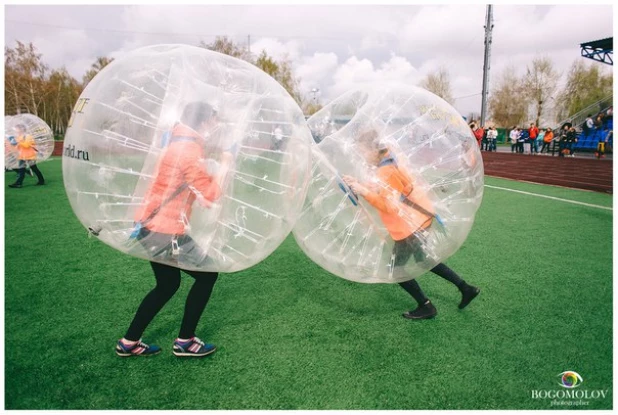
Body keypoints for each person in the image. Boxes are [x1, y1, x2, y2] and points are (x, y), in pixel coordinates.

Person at [116, 102, 234, 358]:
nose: (215, 127)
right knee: (208, 273)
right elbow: (212, 193)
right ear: (204, 121)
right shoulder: (188, 149)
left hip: (149, 224)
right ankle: (185, 341)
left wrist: (196, 193)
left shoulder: (174, 143)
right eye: (214, 121)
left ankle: (129, 342)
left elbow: (176, 183)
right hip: (166, 230)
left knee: (167, 284)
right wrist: (226, 164)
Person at [342, 130, 480, 320]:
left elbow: (389, 205)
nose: (362, 157)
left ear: (374, 150)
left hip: (409, 226)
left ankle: (426, 306)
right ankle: (466, 288)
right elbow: (388, 189)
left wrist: (363, 191)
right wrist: (359, 184)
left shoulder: (385, 170)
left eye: (363, 152)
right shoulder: (391, 159)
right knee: (423, 260)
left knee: (395, 269)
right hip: (419, 219)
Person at [7, 124, 45, 188]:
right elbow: (18, 147)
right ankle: (18, 183)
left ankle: (41, 181)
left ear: (22, 129)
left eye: (17, 129)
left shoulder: (28, 136)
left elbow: (27, 145)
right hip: (22, 156)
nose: (16, 130)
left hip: (30, 156)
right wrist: (13, 144)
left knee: (34, 169)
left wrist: (19, 142)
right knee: (21, 170)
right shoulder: (18, 137)